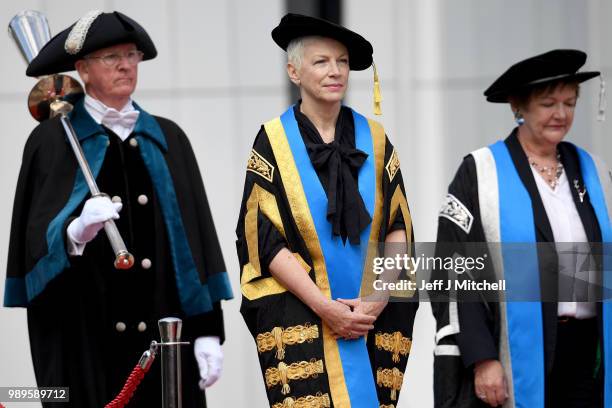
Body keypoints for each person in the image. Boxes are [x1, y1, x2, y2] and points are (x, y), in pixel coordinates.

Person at [3, 10, 233, 407]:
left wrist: (209, 330)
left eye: (132, 55)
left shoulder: (167, 137)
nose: (126, 65)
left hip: (166, 341)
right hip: (84, 344)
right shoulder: (52, 141)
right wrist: (75, 232)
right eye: (112, 57)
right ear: (82, 70)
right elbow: (33, 244)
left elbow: (196, 242)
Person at [236, 13, 418, 408]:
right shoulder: (273, 141)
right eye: (321, 61)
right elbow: (263, 240)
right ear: (294, 71)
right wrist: (325, 308)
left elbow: (397, 227)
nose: (335, 71)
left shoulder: (376, 138)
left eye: (342, 62)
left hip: (371, 317)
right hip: (304, 313)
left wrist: (376, 299)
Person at [432, 49, 612, 408]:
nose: (561, 114)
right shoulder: (482, 172)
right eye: (548, 103)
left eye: (570, 102)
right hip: (513, 351)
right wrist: (482, 357)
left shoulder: (593, 170)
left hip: (589, 352)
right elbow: (455, 269)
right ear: (518, 106)